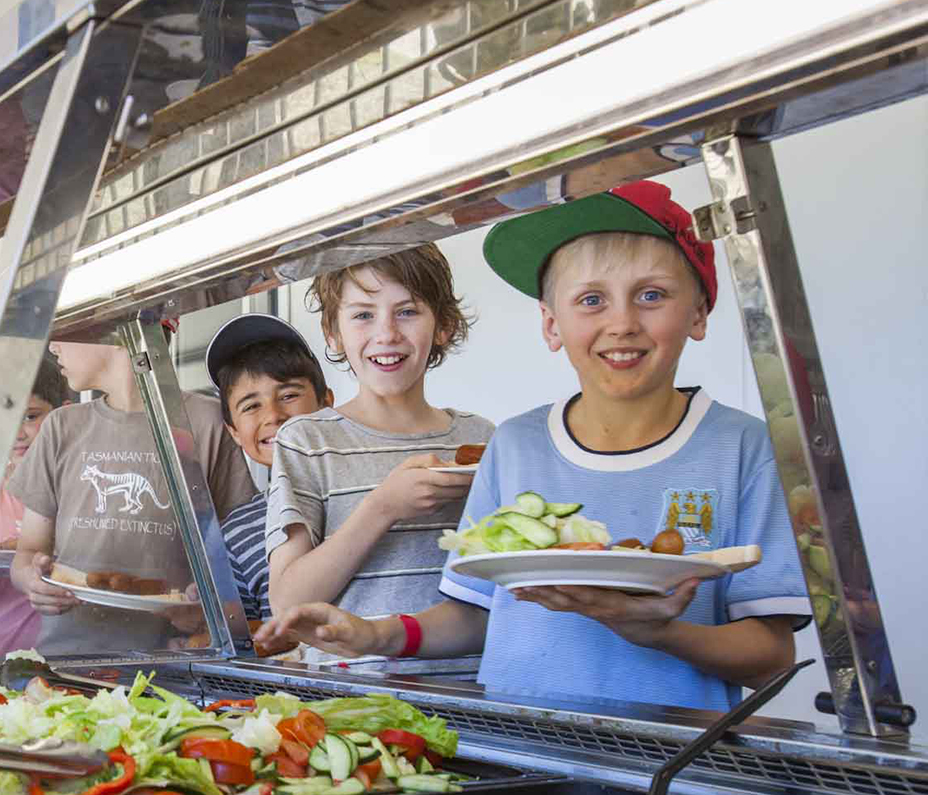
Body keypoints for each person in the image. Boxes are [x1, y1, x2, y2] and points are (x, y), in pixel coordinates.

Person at [258, 181, 808, 711]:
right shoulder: (515, 444)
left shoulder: (744, 447)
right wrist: (373, 634)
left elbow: (772, 656)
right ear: (550, 323)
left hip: (680, 759)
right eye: (591, 299)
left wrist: (662, 632)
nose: (621, 322)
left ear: (698, 313)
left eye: (651, 295)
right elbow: (473, 615)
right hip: (522, 746)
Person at [265, 245, 494, 632]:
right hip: (351, 689)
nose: (386, 334)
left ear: (443, 326)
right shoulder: (307, 441)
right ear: (333, 333)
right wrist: (384, 507)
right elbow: (288, 604)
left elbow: (497, 597)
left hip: (469, 686)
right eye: (363, 316)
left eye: (407, 312)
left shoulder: (482, 439)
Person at [9, 340, 256, 653]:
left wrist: (209, 603)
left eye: (65, 331)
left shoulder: (207, 422)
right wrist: (32, 580)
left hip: (175, 657)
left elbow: (241, 554)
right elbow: (28, 551)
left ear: (116, 334)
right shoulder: (61, 427)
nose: (54, 346)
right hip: (65, 653)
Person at [207, 314, 334, 623]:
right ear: (234, 431)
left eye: (289, 395)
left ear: (326, 404)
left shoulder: (366, 495)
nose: (274, 416)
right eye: (251, 406)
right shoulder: (234, 534)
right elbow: (245, 644)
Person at [0, 359, 70, 657]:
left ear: (63, 414)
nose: (16, 433)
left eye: (29, 416)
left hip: (63, 661)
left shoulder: (78, 492)